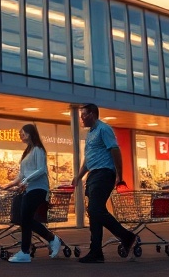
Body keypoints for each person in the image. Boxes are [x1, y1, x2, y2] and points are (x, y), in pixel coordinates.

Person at [71, 103, 139, 263]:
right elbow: (88, 159)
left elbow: (115, 150)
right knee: (94, 213)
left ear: (93, 114)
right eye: (80, 115)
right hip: (94, 175)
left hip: (104, 173)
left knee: (95, 210)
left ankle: (126, 236)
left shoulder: (104, 129)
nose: (81, 118)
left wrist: (119, 175)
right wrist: (79, 176)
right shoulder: (90, 134)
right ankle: (96, 252)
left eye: (84, 115)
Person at [1, 124, 62, 263]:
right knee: (26, 219)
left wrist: (25, 180)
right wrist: (10, 184)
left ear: (29, 133)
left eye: (22, 133)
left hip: (38, 189)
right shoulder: (27, 152)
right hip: (29, 188)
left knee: (25, 218)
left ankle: (25, 251)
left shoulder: (38, 150)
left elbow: (41, 170)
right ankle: (51, 239)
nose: (20, 135)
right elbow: (21, 175)